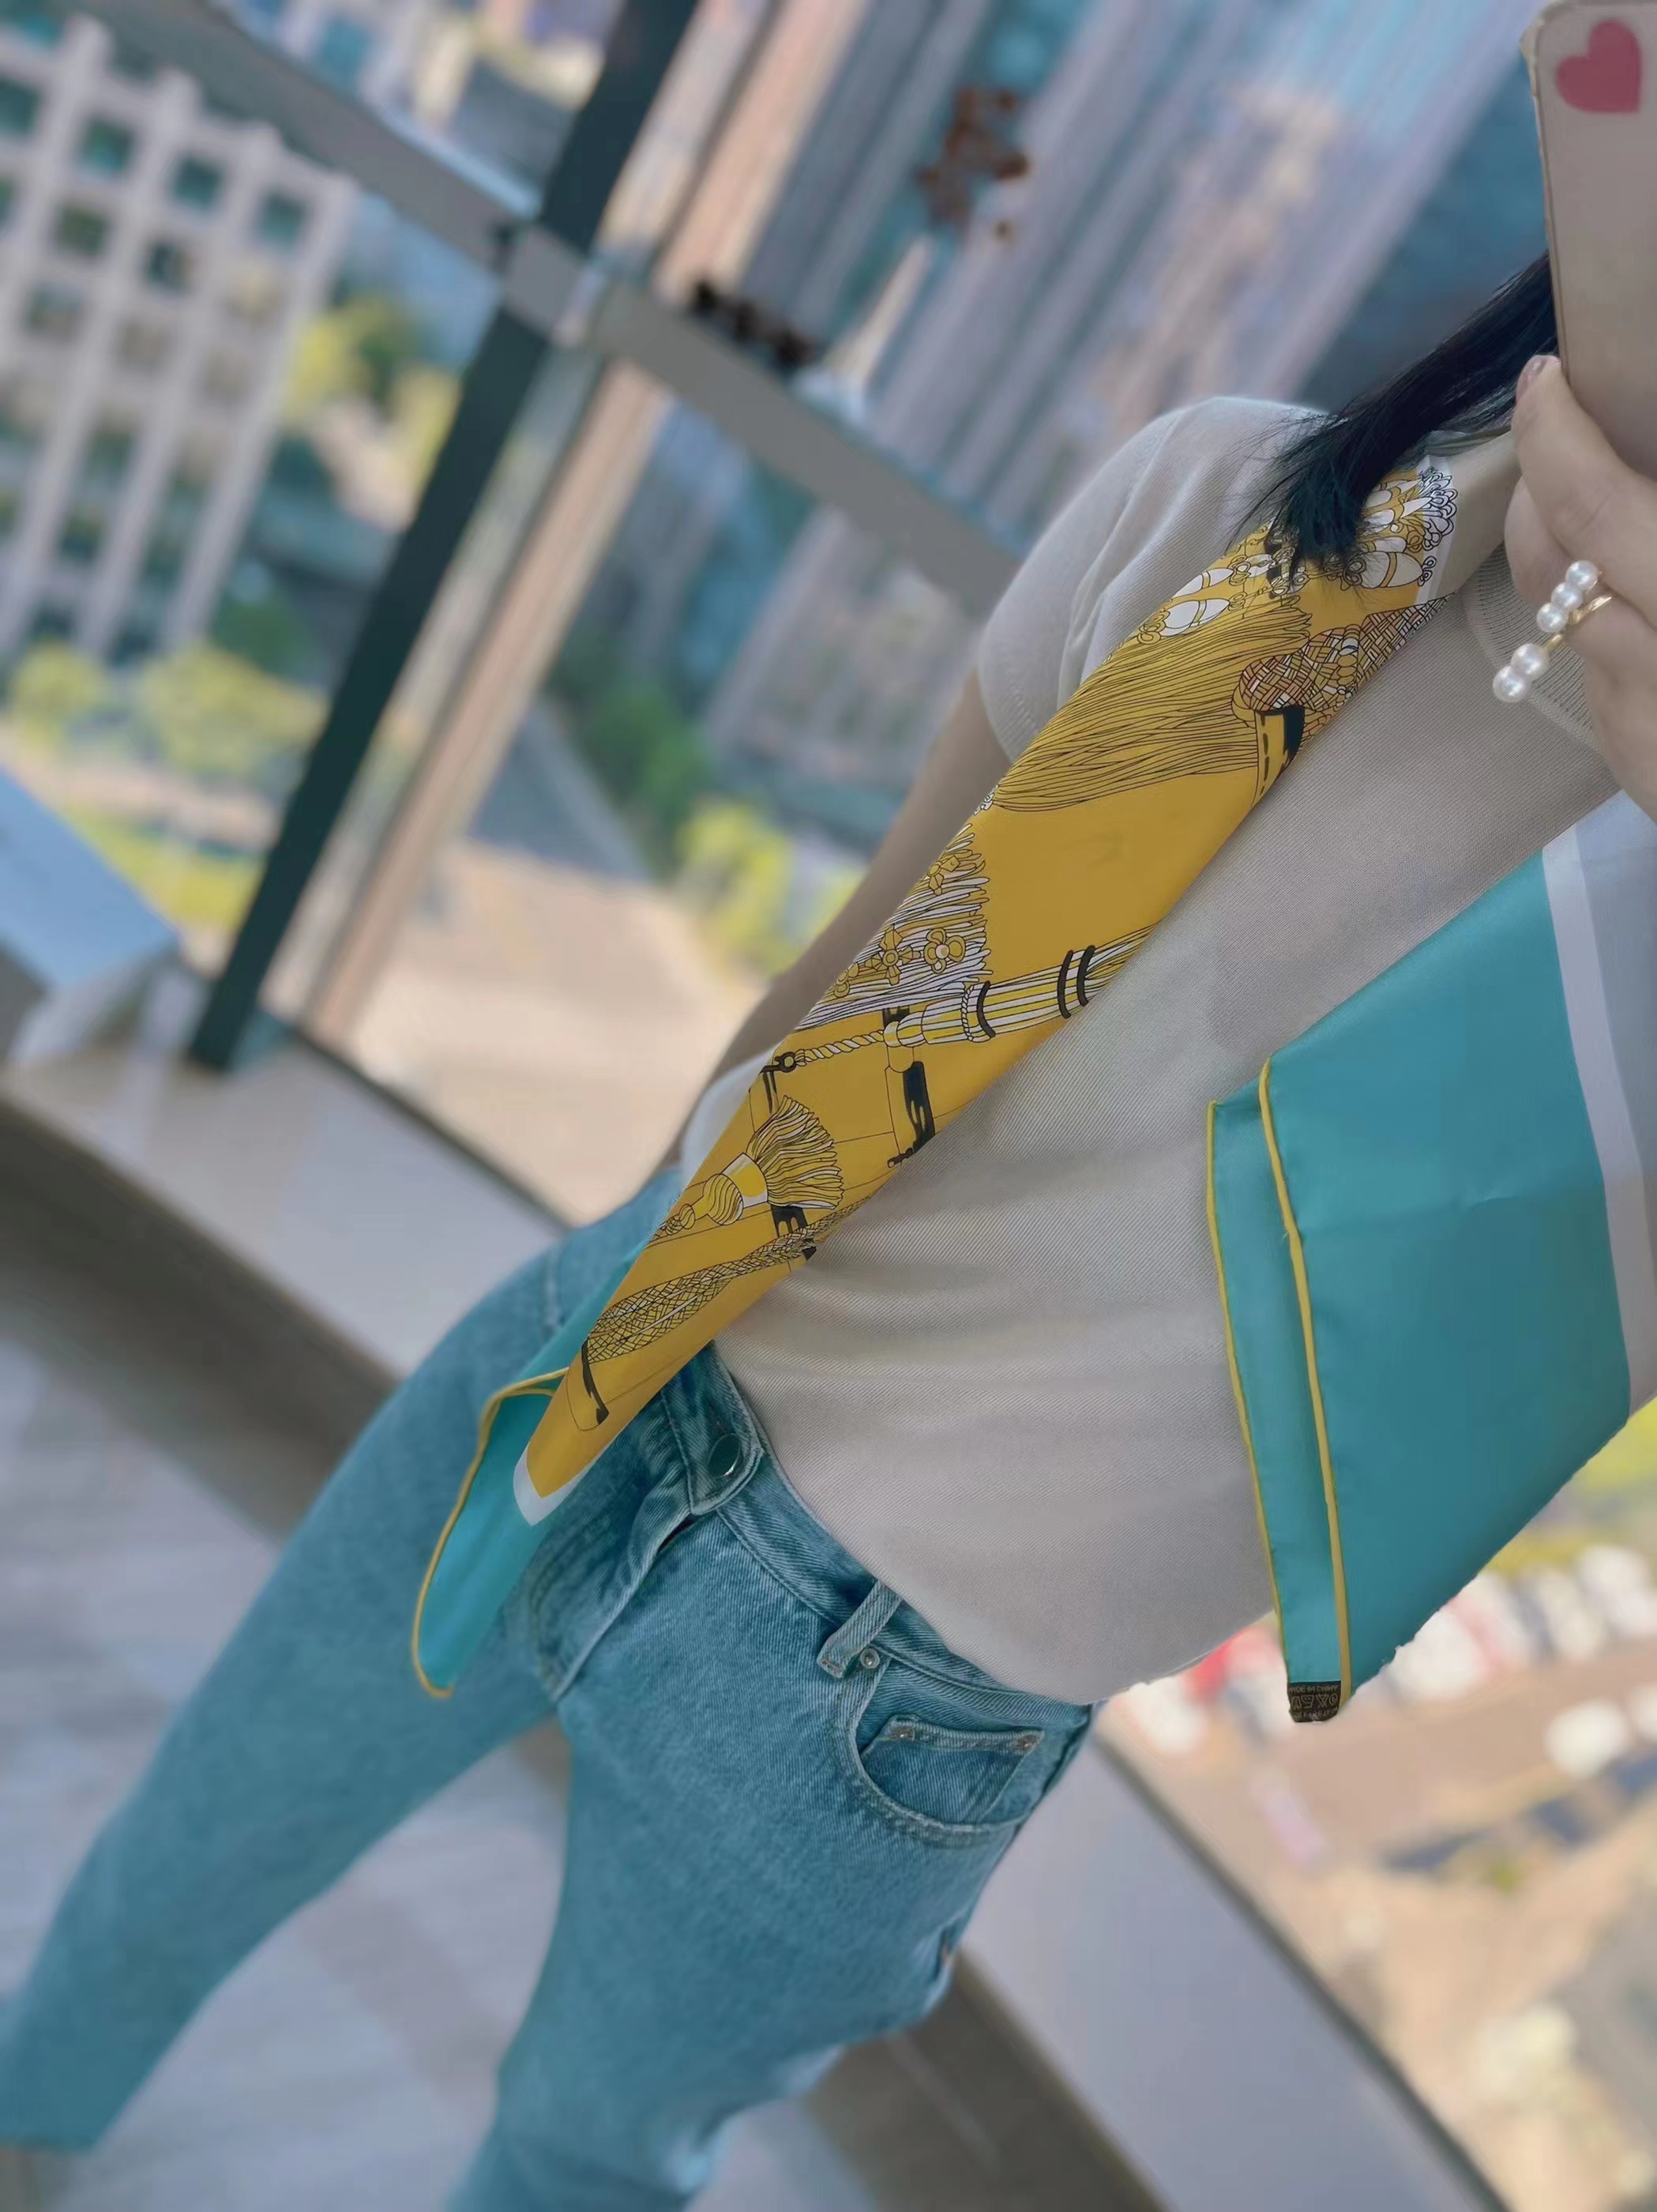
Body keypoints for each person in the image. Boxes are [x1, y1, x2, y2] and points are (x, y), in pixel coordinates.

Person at [3, 256, 1652, 2211]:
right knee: (197, 1835)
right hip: (629, 1341)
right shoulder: (1243, 503)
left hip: (898, 1683)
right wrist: (626, 1248)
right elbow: (861, 951)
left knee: (577, 2160)